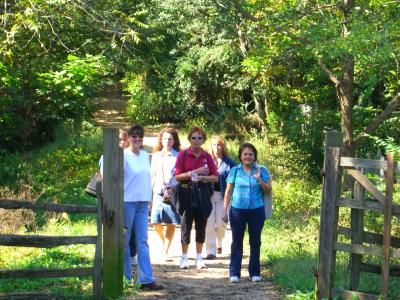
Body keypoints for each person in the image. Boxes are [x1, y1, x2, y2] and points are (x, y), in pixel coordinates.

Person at [223, 143, 272, 283]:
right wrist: (224, 210)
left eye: (250, 154)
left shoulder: (261, 170)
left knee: (255, 242)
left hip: (257, 210)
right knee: (237, 242)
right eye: (245, 154)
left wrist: (259, 179)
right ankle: (234, 273)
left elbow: (268, 190)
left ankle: (255, 272)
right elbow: (228, 191)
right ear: (240, 156)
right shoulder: (235, 171)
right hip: (237, 211)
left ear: (254, 156)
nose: (248, 157)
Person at [123, 125, 163, 290]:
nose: (137, 139)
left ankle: (146, 279)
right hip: (127, 202)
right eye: (134, 136)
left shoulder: (146, 155)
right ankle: (125, 278)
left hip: (142, 203)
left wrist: (150, 198)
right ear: (128, 138)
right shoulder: (123, 155)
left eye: (140, 136)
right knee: (124, 240)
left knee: (143, 241)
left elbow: (148, 179)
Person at [174, 127, 218, 269]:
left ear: (203, 140)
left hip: (202, 194)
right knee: (185, 225)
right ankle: (184, 257)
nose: (196, 141)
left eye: (199, 138)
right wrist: (195, 172)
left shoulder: (207, 156)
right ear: (189, 139)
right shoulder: (183, 155)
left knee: (201, 225)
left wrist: (203, 177)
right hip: (186, 193)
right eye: (194, 138)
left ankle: (199, 257)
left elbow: (216, 177)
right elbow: (177, 176)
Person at [150, 128, 181, 260]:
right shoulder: (156, 156)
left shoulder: (178, 155)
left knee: (171, 222)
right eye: (165, 138)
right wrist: (150, 194)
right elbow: (152, 175)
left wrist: (172, 188)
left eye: (170, 139)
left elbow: (179, 175)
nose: (167, 141)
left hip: (172, 193)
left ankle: (166, 249)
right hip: (158, 192)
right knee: (155, 222)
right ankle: (163, 242)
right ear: (161, 140)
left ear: (174, 141)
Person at [205, 136, 236, 259]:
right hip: (209, 196)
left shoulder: (230, 163)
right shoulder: (206, 161)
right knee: (209, 223)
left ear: (223, 146)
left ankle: (219, 242)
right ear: (211, 147)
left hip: (224, 197)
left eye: (219, 145)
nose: (216, 148)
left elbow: (233, 181)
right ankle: (210, 250)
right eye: (214, 145)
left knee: (221, 223)